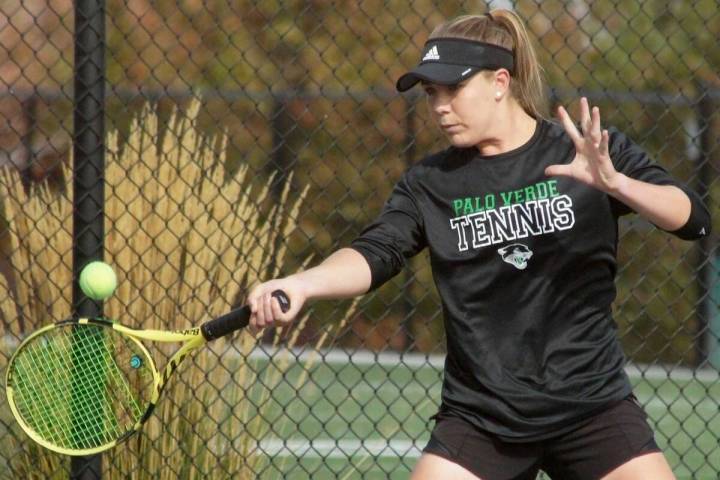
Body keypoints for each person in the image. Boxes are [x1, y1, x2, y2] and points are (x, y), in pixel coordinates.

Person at [247, 9, 710, 480]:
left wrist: (617, 184)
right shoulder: (429, 183)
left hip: (590, 405)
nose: (440, 106)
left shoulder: (585, 152)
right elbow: (376, 253)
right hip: (483, 416)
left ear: (500, 82)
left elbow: (691, 218)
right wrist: (303, 283)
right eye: (431, 93)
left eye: (453, 89)